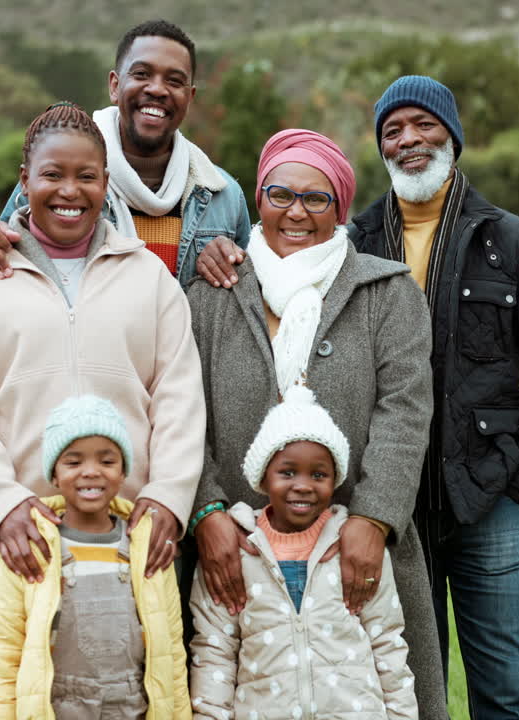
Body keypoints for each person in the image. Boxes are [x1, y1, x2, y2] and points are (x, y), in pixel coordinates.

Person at [195, 77, 519, 720]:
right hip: (359, 512)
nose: (410, 139)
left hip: (476, 495)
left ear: (453, 135)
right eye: (393, 130)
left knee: (504, 692)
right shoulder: (357, 238)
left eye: (425, 125)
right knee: (370, 679)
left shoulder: (509, 240)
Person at [185, 129, 450, 719]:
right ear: (258, 197)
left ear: (342, 206)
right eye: (279, 194)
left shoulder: (387, 292)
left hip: (354, 549)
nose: (296, 212)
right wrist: (207, 513)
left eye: (316, 198)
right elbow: (182, 413)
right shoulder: (213, 291)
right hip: (236, 552)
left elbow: (405, 413)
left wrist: (374, 519)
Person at [0, 101, 205, 670]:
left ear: (107, 184)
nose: (69, 191)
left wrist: (166, 501)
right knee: (16, 702)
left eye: (86, 176)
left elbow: (180, 398)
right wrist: (3, 508)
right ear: (24, 181)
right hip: (11, 546)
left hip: (128, 541)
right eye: (52, 175)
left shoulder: (149, 278)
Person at [0, 19, 251, 287]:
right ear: (115, 86)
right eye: (142, 74)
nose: (157, 89)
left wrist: (232, 264)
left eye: (174, 81)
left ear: (190, 97)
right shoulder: (58, 179)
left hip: (180, 353)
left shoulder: (222, 195)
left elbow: (247, 299)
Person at [188, 385, 416, 720]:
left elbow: (388, 644)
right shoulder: (239, 552)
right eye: (288, 472)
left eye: (319, 474)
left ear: (335, 479)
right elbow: (214, 653)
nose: (303, 485)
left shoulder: (354, 551)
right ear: (263, 477)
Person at [0, 395, 190, 720]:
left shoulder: (145, 546)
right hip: (58, 707)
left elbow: (171, 653)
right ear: (54, 476)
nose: (91, 472)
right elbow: (0, 655)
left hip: (132, 707)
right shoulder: (29, 547)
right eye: (74, 463)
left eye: (106, 462)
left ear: (123, 473)